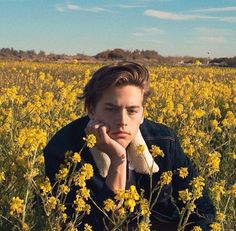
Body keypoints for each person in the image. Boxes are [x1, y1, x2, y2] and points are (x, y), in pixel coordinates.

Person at [44, 62, 215, 230]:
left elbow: (203, 210)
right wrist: (118, 159)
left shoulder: (165, 140)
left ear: (142, 113)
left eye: (132, 110)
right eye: (111, 109)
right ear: (91, 110)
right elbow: (80, 224)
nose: (123, 121)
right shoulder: (64, 148)